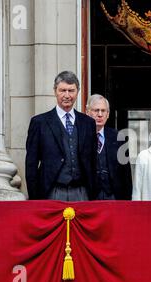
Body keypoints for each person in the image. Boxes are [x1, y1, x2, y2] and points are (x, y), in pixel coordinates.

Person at [25, 71, 97, 201]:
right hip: (51, 192)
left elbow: (93, 161)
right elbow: (31, 164)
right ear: (55, 91)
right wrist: (34, 199)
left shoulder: (88, 123)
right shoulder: (39, 123)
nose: (67, 95)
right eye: (62, 90)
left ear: (78, 91)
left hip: (82, 193)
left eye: (71, 90)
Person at [86, 94, 132, 200]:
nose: (100, 114)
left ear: (108, 114)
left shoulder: (119, 138)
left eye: (103, 111)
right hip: (88, 198)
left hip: (114, 197)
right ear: (87, 112)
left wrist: (127, 201)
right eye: (96, 110)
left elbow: (126, 174)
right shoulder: (80, 136)